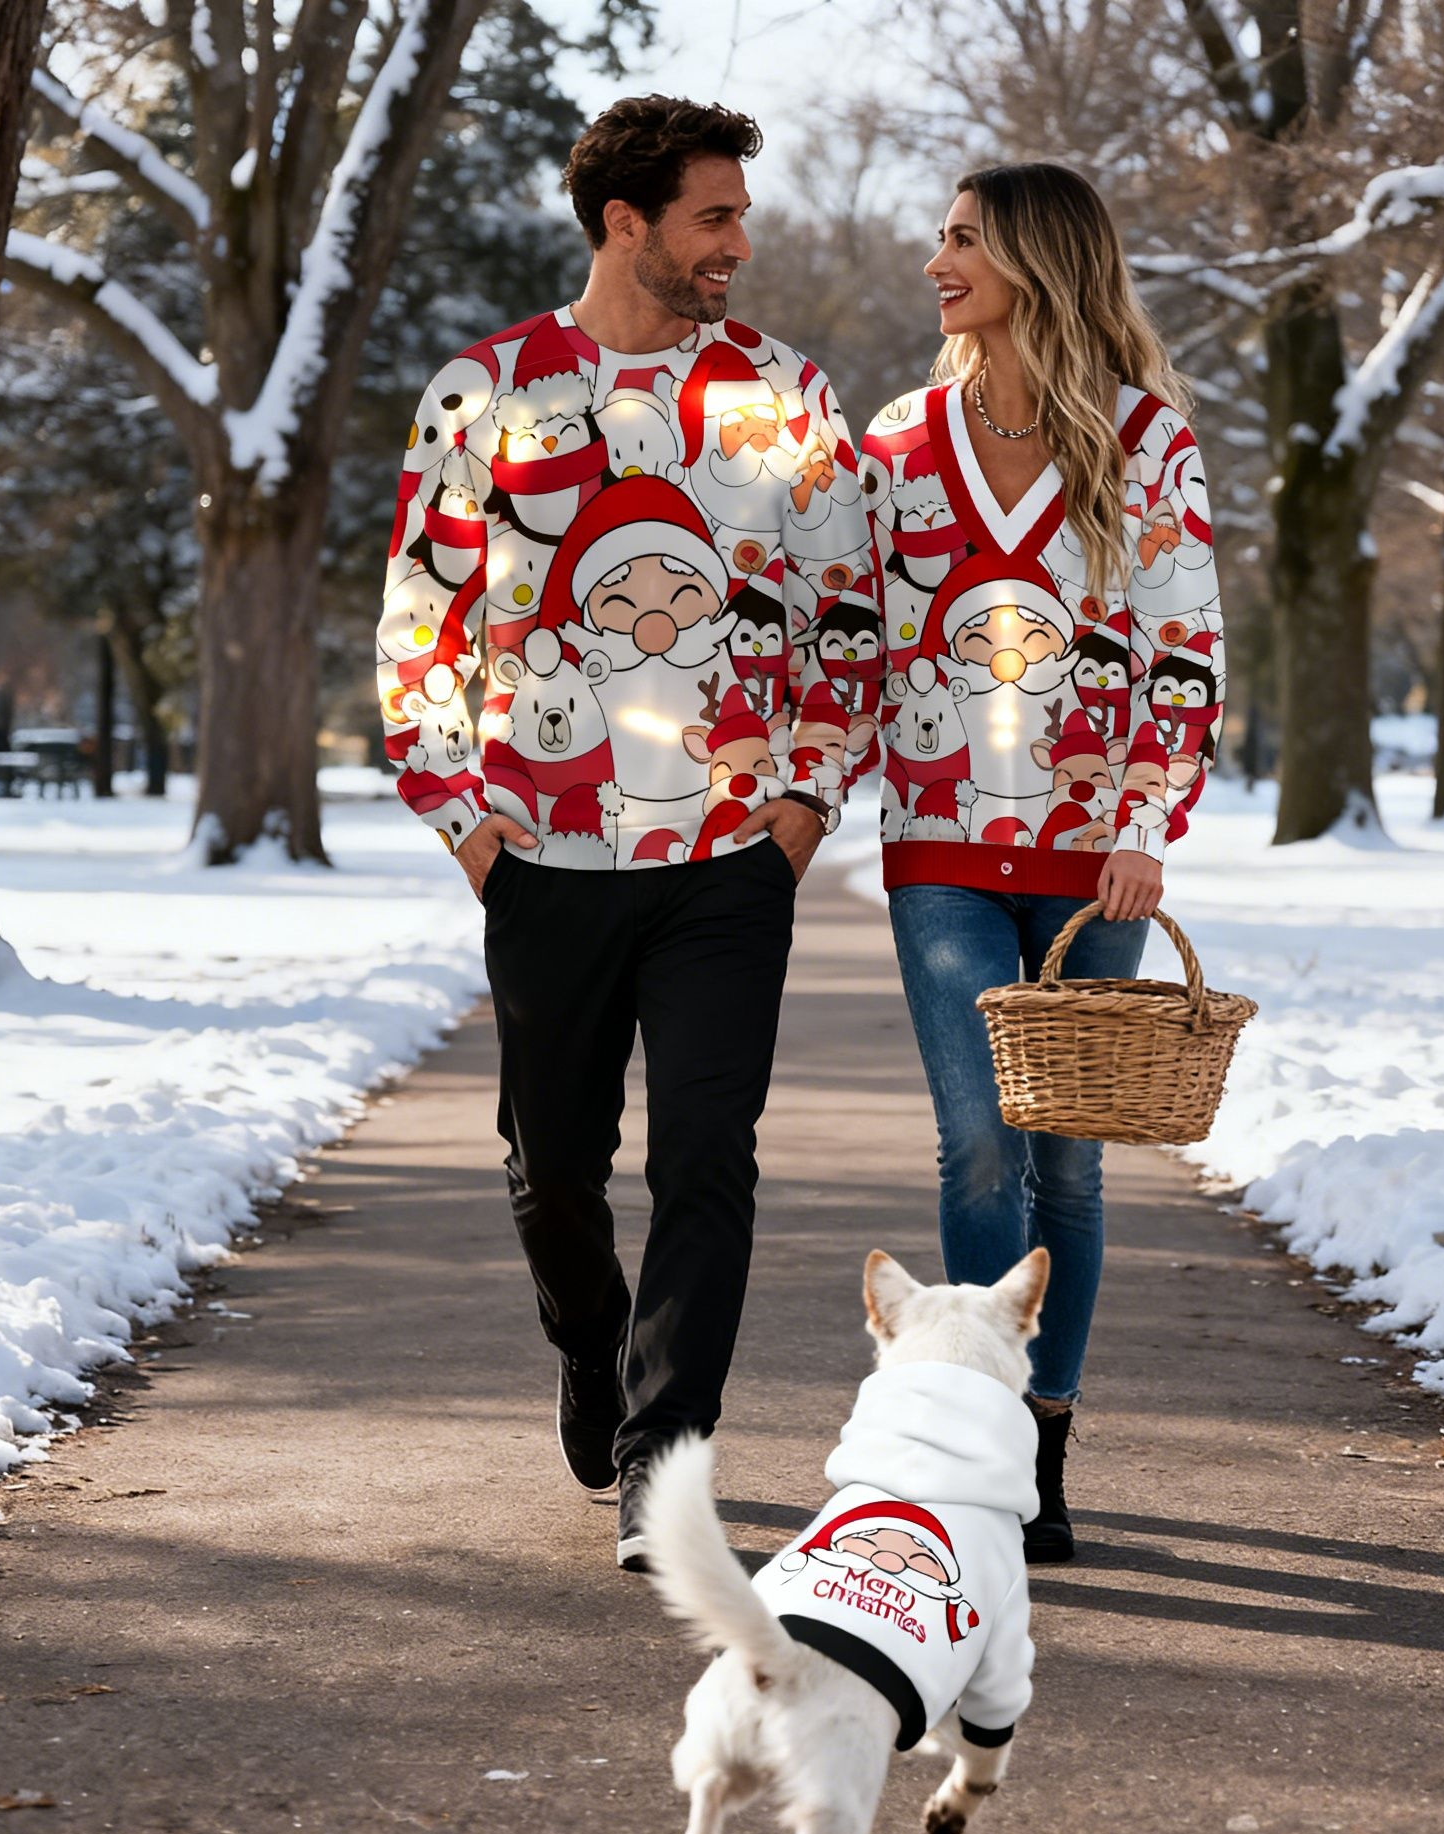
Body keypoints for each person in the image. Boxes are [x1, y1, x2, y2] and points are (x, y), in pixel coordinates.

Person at [374, 97, 881, 1570]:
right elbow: (423, 623)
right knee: (551, 1168)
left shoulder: (786, 395)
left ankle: (669, 1466)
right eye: (714, 216)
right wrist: (468, 823)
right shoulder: (488, 392)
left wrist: (801, 803)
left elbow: (846, 614)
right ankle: (593, 1349)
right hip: (540, 858)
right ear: (626, 224)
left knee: (709, 1160)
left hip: (730, 859)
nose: (738, 243)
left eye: (738, 216)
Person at [861, 162, 1225, 1563]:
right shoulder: (900, 440)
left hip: (1092, 861)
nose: (938, 260)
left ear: (1034, 259)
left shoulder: (1147, 443)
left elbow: (1184, 649)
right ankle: (971, 1439)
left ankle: (1043, 1447)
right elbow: (848, 620)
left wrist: (1145, 822)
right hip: (938, 843)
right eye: (942, 236)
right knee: (978, 1142)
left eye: (962, 240)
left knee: (1068, 1163)